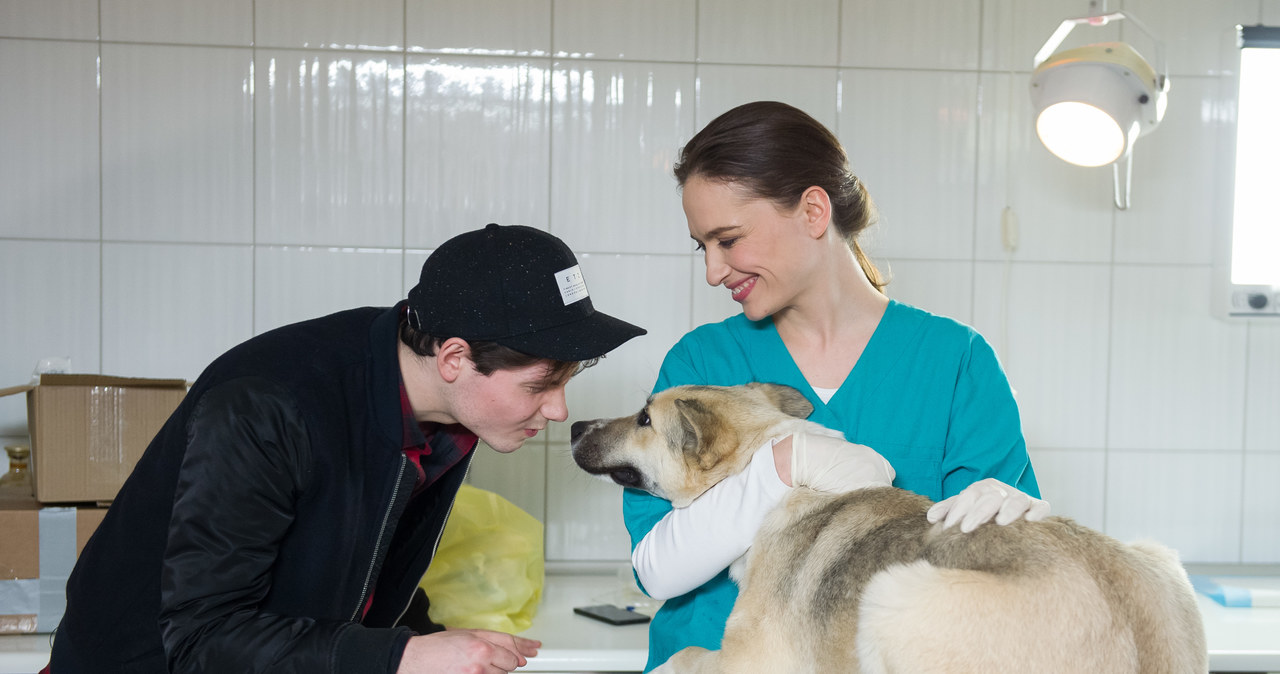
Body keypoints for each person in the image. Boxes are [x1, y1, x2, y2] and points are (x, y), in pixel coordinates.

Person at [44, 223, 646, 674]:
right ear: (455, 357)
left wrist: (434, 641)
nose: (559, 409)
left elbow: (362, 560)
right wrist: (401, 657)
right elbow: (203, 639)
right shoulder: (269, 406)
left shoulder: (442, 409)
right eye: (542, 385)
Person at [622, 101, 1048, 671]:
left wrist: (1020, 528)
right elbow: (658, 569)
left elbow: (982, 580)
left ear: (813, 211)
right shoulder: (701, 363)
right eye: (703, 246)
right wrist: (778, 469)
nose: (713, 271)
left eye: (728, 239)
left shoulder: (955, 363)